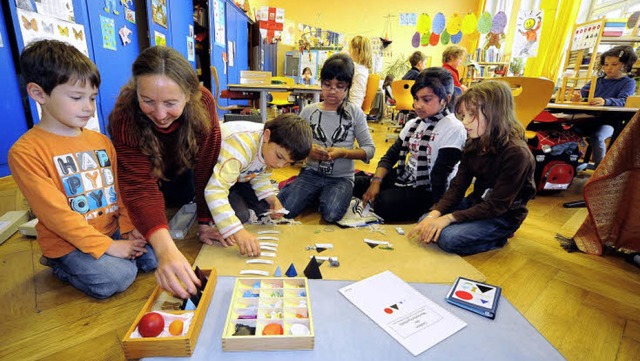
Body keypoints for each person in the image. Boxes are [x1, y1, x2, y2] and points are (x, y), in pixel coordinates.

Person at [8, 40, 156, 299]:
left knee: (152, 256)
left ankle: (114, 255)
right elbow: (57, 217)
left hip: (110, 229)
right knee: (118, 277)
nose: (88, 107)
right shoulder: (26, 152)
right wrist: (108, 248)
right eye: (77, 98)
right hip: (68, 243)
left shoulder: (100, 141)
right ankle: (60, 266)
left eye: (92, 98)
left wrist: (130, 226)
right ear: (39, 93)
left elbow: (118, 191)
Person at [108, 46, 221, 299]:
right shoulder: (124, 114)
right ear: (136, 92)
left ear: (189, 96)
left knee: (182, 197)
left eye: (170, 103)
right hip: (146, 172)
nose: (159, 115)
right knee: (150, 218)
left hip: (182, 168)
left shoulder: (203, 102)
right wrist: (165, 249)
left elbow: (206, 166)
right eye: (147, 101)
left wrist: (204, 221)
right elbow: (139, 186)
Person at [408, 80, 536, 255]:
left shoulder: (517, 154)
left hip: (502, 215)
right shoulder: (474, 142)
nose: (465, 122)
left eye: (471, 115)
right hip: (477, 204)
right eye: (463, 116)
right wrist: (435, 215)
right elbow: (457, 186)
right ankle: (463, 227)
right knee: (426, 220)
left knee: (449, 238)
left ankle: (499, 236)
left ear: (495, 114)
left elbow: (496, 206)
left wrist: (448, 218)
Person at [354, 68, 467, 222]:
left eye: (426, 100)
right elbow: (390, 157)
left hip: (429, 189)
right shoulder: (414, 123)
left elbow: (440, 175)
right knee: (355, 183)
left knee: (384, 204)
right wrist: (376, 181)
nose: (418, 105)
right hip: (405, 177)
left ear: (445, 99)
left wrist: (437, 209)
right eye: (416, 98)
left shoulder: (453, 128)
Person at [279, 53, 376, 223]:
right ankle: (312, 193)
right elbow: (293, 146)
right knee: (285, 210)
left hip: (341, 178)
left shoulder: (354, 113)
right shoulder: (308, 111)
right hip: (311, 173)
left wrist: (343, 153)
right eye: (327, 85)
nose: (332, 91)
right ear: (321, 83)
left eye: (340, 86)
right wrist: (308, 151)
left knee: (331, 214)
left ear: (348, 87)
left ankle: (318, 195)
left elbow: (369, 150)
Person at [204, 114, 312, 257]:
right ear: (267, 136)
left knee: (265, 210)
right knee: (240, 216)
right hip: (211, 176)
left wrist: (273, 199)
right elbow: (214, 191)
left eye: (288, 163)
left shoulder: (271, 146)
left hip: (237, 177)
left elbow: (258, 173)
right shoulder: (240, 146)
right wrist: (237, 231)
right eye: (279, 157)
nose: (280, 165)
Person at [571, 45, 638, 169]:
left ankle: (599, 170)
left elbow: (624, 101)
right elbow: (583, 93)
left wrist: (605, 101)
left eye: (614, 64)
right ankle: (569, 163)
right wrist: (577, 97)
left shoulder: (628, 82)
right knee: (567, 132)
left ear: (624, 65)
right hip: (588, 118)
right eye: (606, 64)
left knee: (598, 137)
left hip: (610, 121)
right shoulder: (597, 80)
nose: (608, 68)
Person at [347, 35, 373, 108]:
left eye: (349, 49)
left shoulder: (355, 67)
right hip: (357, 103)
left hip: (352, 106)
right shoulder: (364, 68)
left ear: (355, 51)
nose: (348, 51)